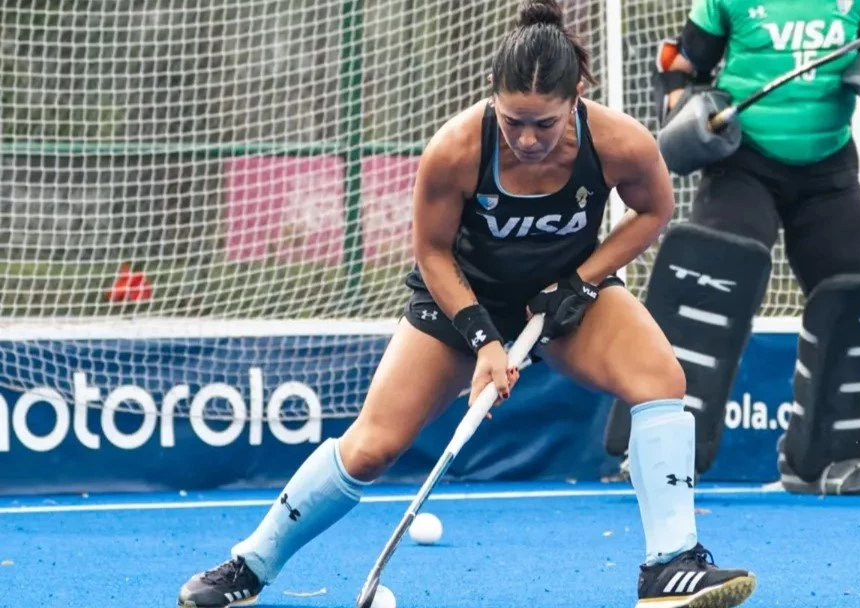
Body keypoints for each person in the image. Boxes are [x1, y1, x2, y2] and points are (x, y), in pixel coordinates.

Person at [177, 2, 757, 607]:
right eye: (513, 121)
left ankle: (669, 566)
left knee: (661, 378)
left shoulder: (619, 142)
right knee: (373, 446)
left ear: (578, 96)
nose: (528, 139)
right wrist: (483, 338)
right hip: (461, 299)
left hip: (562, 295)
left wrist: (582, 283)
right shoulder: (455, 150)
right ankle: (250, 564)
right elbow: (431, 252)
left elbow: (654, 212)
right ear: (492, 98)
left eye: (545, 123)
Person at [605, 0, 860, 496]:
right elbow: (680, 65)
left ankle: (834, 458)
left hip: (829, 169)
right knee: (710, 283)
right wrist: (680, 106)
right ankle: (661, 447)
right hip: (741, 162)